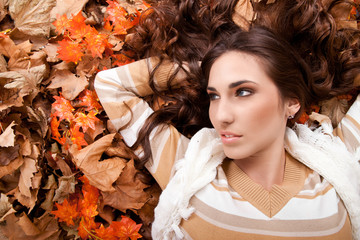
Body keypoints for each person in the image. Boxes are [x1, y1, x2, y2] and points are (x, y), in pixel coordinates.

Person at [95, 1, 360, 239]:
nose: (221, 116)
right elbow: (110, 86)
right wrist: (206, 64)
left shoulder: (337, 162)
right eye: (214, 95)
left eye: (243, 92)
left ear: (291, 102)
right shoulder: (186, 168)